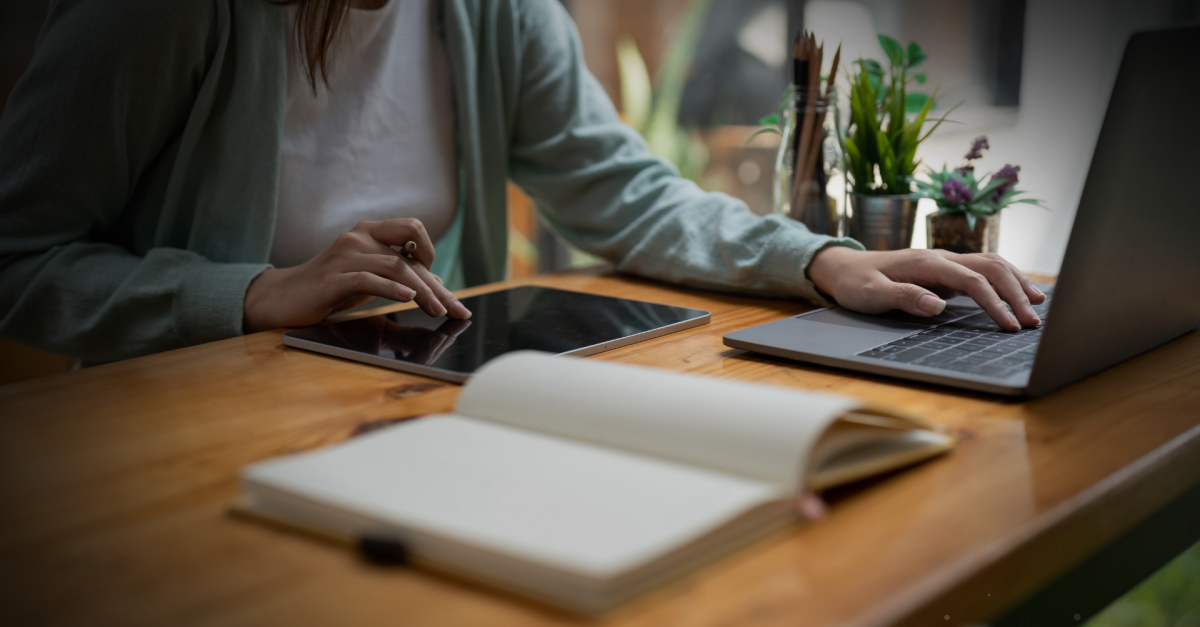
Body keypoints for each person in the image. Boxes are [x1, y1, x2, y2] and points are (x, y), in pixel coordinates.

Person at [0, 0, 1043, 366]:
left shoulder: (494, 10)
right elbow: (19, 257)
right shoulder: (157, 15)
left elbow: (626, 190)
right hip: (189, 434)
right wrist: (249, 295)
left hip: (404, 408)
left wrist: (820, 259)